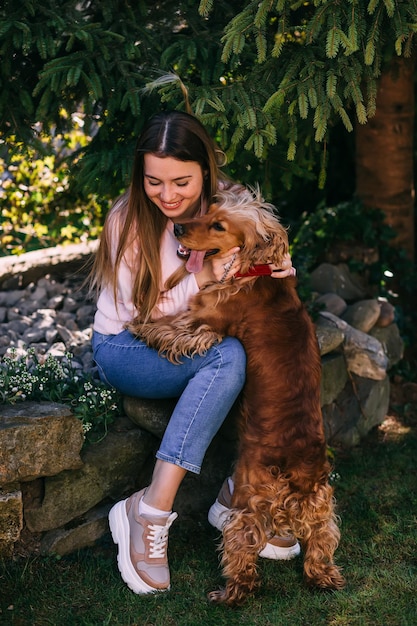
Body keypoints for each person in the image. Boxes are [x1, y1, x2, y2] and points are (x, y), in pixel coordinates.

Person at [90, 109, 298, 596]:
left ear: (206, 169)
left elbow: (260, 285)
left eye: (181, 181)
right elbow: (146, 320)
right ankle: (148, 512)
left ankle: (238, 494)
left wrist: (275, 275)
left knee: (265, 353)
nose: (167, 196)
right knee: (227, 357)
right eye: (153, 182)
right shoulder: (128, 221)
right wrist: (214, 280)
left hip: (203, 336)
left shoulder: (235, 208)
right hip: (129, 346)